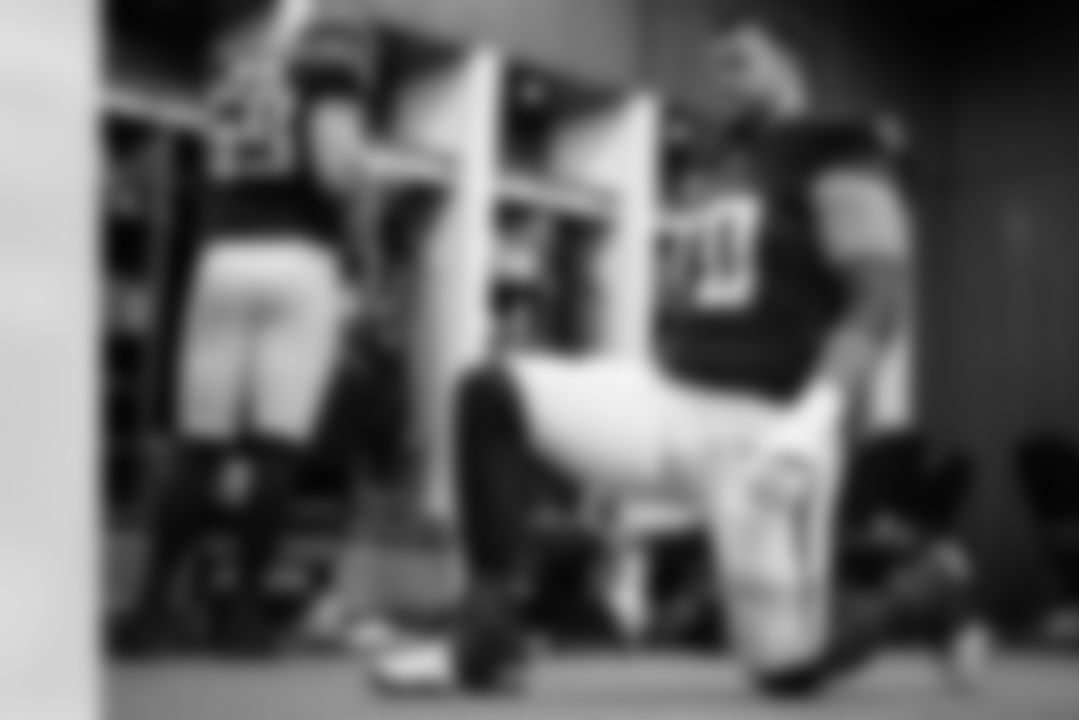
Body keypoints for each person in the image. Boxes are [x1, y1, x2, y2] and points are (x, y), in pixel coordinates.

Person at [372, 15, 985, 696]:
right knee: (490, 393)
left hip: (767, 430)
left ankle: (930, 591)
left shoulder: (838, 150)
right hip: (669, 402)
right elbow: (701, 304)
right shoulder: (720, 167)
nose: (724, 81)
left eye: (741, 62)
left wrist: (816, 417)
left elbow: (880, 299)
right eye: (716, 65)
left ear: (792, 60)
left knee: (788, 670)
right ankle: (488, 635)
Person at [114, 0, 379, 655]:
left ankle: (151, 609)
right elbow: (332, 161)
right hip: (298, 259)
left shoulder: (235, 42)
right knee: (274, 447)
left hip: (222, 253)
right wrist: (369, 226)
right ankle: (242, 617)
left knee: (199, 447)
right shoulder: (332, 28)